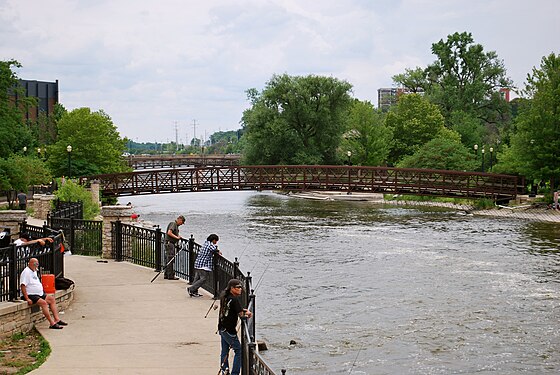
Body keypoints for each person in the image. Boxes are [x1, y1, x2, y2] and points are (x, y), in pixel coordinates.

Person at [20, 258, 68, 329]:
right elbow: (23, 285)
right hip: (31, 294)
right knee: (44, 303)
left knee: (51, 299)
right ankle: (52, 323)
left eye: (37, 264)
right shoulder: (26, 272)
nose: (37, 266)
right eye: (35, 264)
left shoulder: (34, 271)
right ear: (30, 264)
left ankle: (57, 319)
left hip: (39, 294)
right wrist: (27, 298)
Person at [218, 279, 252, 375]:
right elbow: (241, 314)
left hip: (221, 327)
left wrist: (244, 311)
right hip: (229, 330)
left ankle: (225, 370)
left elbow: (235, 309)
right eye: (238, 287)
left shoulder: (224, 296)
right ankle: (235, 373)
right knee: (239, 350)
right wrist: (247, 314)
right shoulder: (234, 299)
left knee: (224, 351)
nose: (240, 289)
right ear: (232, 288)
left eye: (241, 287)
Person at [164, 215, 185, 280]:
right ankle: (170, 275)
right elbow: (169, 233)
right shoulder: (173, 224)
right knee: (170, 259)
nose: (181, 224)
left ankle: (166, 274)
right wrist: (177, 238)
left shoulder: (175, 225)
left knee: (168, 259)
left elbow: (173, 233)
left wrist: (179, 236)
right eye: (182, 222)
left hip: (169, 243)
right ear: (179, 220)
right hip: (170, 243)